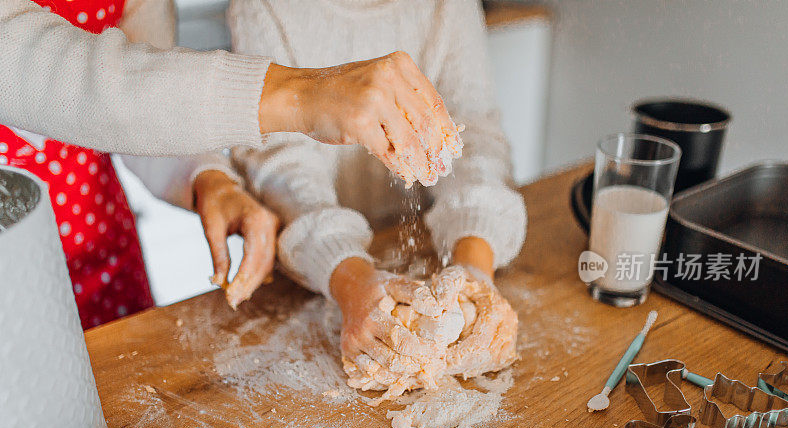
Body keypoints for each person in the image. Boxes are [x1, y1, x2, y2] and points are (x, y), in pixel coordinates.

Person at [0, 0, 461, 325]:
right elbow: (64, 80)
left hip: (104, 253)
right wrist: (299, 94)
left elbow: (139, 104)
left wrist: (208, 179)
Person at [211, 0, 527, 369]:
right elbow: (283, 163)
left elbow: (473, 137)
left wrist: (474, 267)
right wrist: (351, 279)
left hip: (427, 246)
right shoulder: (264, 7)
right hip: (315, 266)